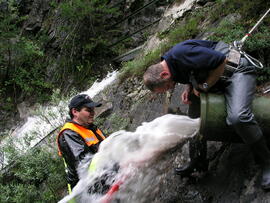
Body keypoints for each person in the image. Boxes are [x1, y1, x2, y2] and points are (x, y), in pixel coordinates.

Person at [143, 39, 270, 189]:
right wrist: (188, 88)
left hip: (237, 71)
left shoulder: (181, 54)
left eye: (166, 87)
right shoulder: (170, 65)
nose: (169, 89)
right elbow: (192, 69)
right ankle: (198, 161)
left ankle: (266, 162)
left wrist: (205, 85)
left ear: (164, 74)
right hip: (219, 76)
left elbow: (221, 60)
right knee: (193, 117)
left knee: (238, 117)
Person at [57, 94, 107, 191]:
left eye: (93, 109)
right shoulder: (68, 134)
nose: (93, 113)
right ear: (75, 112)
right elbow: (85, 164)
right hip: (86, 191)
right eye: (88, 110)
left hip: (103, 180)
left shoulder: (91, 128)